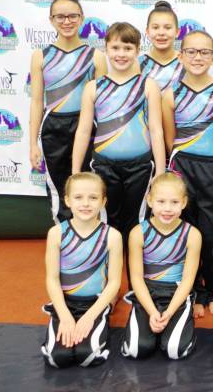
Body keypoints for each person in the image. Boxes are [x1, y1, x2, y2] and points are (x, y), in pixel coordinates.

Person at [161, 30, 213, 318]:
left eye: (204, 52)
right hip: (181, 167)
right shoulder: (170, 95)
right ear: (180, 56)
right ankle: (193, 290)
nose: (197, 57)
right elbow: (171, 139)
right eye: (191, 52)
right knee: (185, 232)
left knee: (211, 234)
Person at [72, 22, 166, 252]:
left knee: (137, 222)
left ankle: (137, 282)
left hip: (141, 166)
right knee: (107, 222)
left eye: (127, 48)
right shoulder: (93, 87)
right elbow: (84, 130)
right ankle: (108, 280)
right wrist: (76, 172)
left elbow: (156, 129)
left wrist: (161, 173)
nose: (121, 54)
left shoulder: (148, 86)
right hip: (104, 165)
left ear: (137, 51)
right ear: (106, 49)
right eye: (115, 48)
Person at [29, 0, 107, 223]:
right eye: (60, 16)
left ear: (81, 18)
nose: (67, 21)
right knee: (59, 187)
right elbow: (36, 101)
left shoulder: (96, 56)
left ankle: (95, 240)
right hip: (53, 126)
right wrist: (33, 143)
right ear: (51, 19)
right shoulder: (40, 56)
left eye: (72, 16)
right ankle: (64, 239)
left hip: (87, 126)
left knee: (91, 184)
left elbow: (102, 104)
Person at [41, 172, 122, 368]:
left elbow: (114, 283)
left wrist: (90, 316)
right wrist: (65, 316)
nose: (86, 203)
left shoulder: (112, 236)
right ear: (67, 200)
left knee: (88, 357)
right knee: (56, 359)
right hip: (65, 303)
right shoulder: (57, 233)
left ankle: (97, 325)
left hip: (95, 303)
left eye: (93, 198)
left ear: (103, 201)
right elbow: (52, 279)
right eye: (78, 197)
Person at [121, 172, 202, 360]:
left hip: (176, 294)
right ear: (150, 201)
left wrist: (168, 313)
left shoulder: (192, 235)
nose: (167, 208)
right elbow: (136, 278)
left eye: (174, 202)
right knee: (137, 350)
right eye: (161, 202)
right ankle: (147, 320)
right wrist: (151, 311)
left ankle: (179, 322)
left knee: (175, 351)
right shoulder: (138, 233)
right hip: (147, 293)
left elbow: (188, 280)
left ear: (183, 203)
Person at [140, 1, 185, 91]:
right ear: (147, 32)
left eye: (167, 28)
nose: (161, 33)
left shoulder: (186, 63)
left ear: (177, 32)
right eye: (155, 27)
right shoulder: (138, 64)